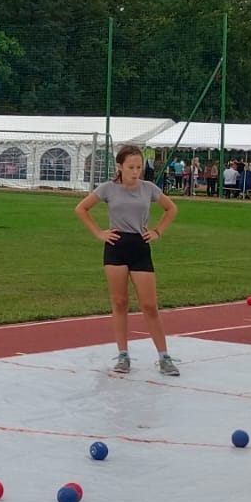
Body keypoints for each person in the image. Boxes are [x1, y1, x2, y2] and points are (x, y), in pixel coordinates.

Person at [75, 143, 179, 377]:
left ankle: (164, 356)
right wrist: (98, 232)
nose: (135, 171)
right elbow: (81, 209)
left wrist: (157, 231)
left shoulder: (148, 188)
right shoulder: (108, 188)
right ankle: (123, 355)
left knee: (149, 305)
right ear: (120, 167)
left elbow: (171, 209)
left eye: (139, 167)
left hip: (140, 247)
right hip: (116, 247)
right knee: (120, 303)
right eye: (131, 167)